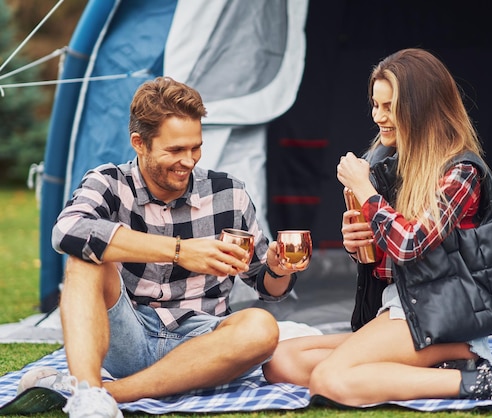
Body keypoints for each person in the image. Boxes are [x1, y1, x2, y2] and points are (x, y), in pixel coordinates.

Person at [261, 48, 492, 406]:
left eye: (389, 108)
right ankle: (438, 366)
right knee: (280, 361)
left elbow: (410, 244)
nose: (378, 117)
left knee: (328, 380)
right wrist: (360, 244)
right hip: (400, 310)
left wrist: (365, 191)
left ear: (421, 109)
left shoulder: (460, 173)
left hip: (443, 317)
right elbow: (393, 260)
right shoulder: (388, 163)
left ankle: (487, 380)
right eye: (375, 105)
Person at [18, 76, 301, 418]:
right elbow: (67, 231)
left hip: (202, 343)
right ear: (140, 143)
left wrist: (277, 269)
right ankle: (93, 390)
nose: (189, 160)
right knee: (85, 259)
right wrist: (180, 250)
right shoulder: (108, 182)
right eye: (175, 150)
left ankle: (95, 394)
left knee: (262, 327)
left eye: (195, 147)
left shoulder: (229, 193)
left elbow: (266, 287)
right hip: (127, 335)